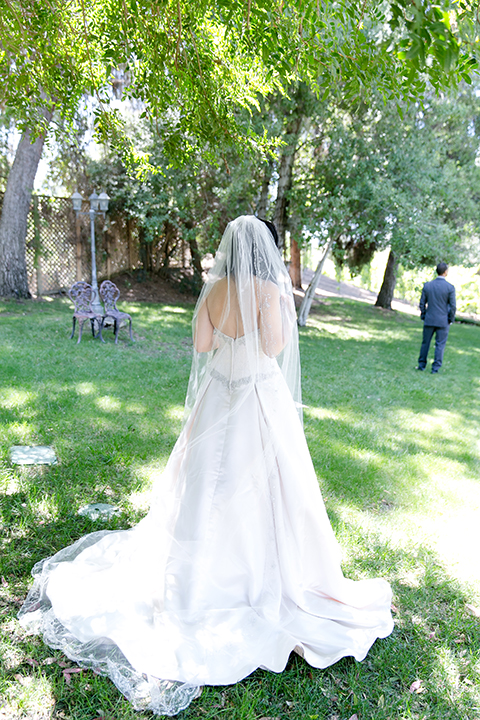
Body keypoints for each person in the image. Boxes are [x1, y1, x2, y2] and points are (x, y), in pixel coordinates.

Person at [19, 216, 393, 716]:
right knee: (268, 488)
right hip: (258, 397)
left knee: (200, 489)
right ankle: (267, 576)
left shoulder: (215, 288)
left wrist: (225, 318)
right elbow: (274, 348)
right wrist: (278, 304)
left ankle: (195, 581)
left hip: (219, 395)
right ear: (265, 250)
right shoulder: (267, 290)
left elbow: (202, 345)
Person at [417, 262, 456, 374]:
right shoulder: (450, 288)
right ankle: (435, 368)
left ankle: (421, 365)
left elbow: (422, 303)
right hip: (443, 321)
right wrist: (450, 319)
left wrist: (424, 315)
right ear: (445, 272)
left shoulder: (428, 285)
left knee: (425, 343)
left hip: (429, 319)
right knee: (440, 345)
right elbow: (453, 306)